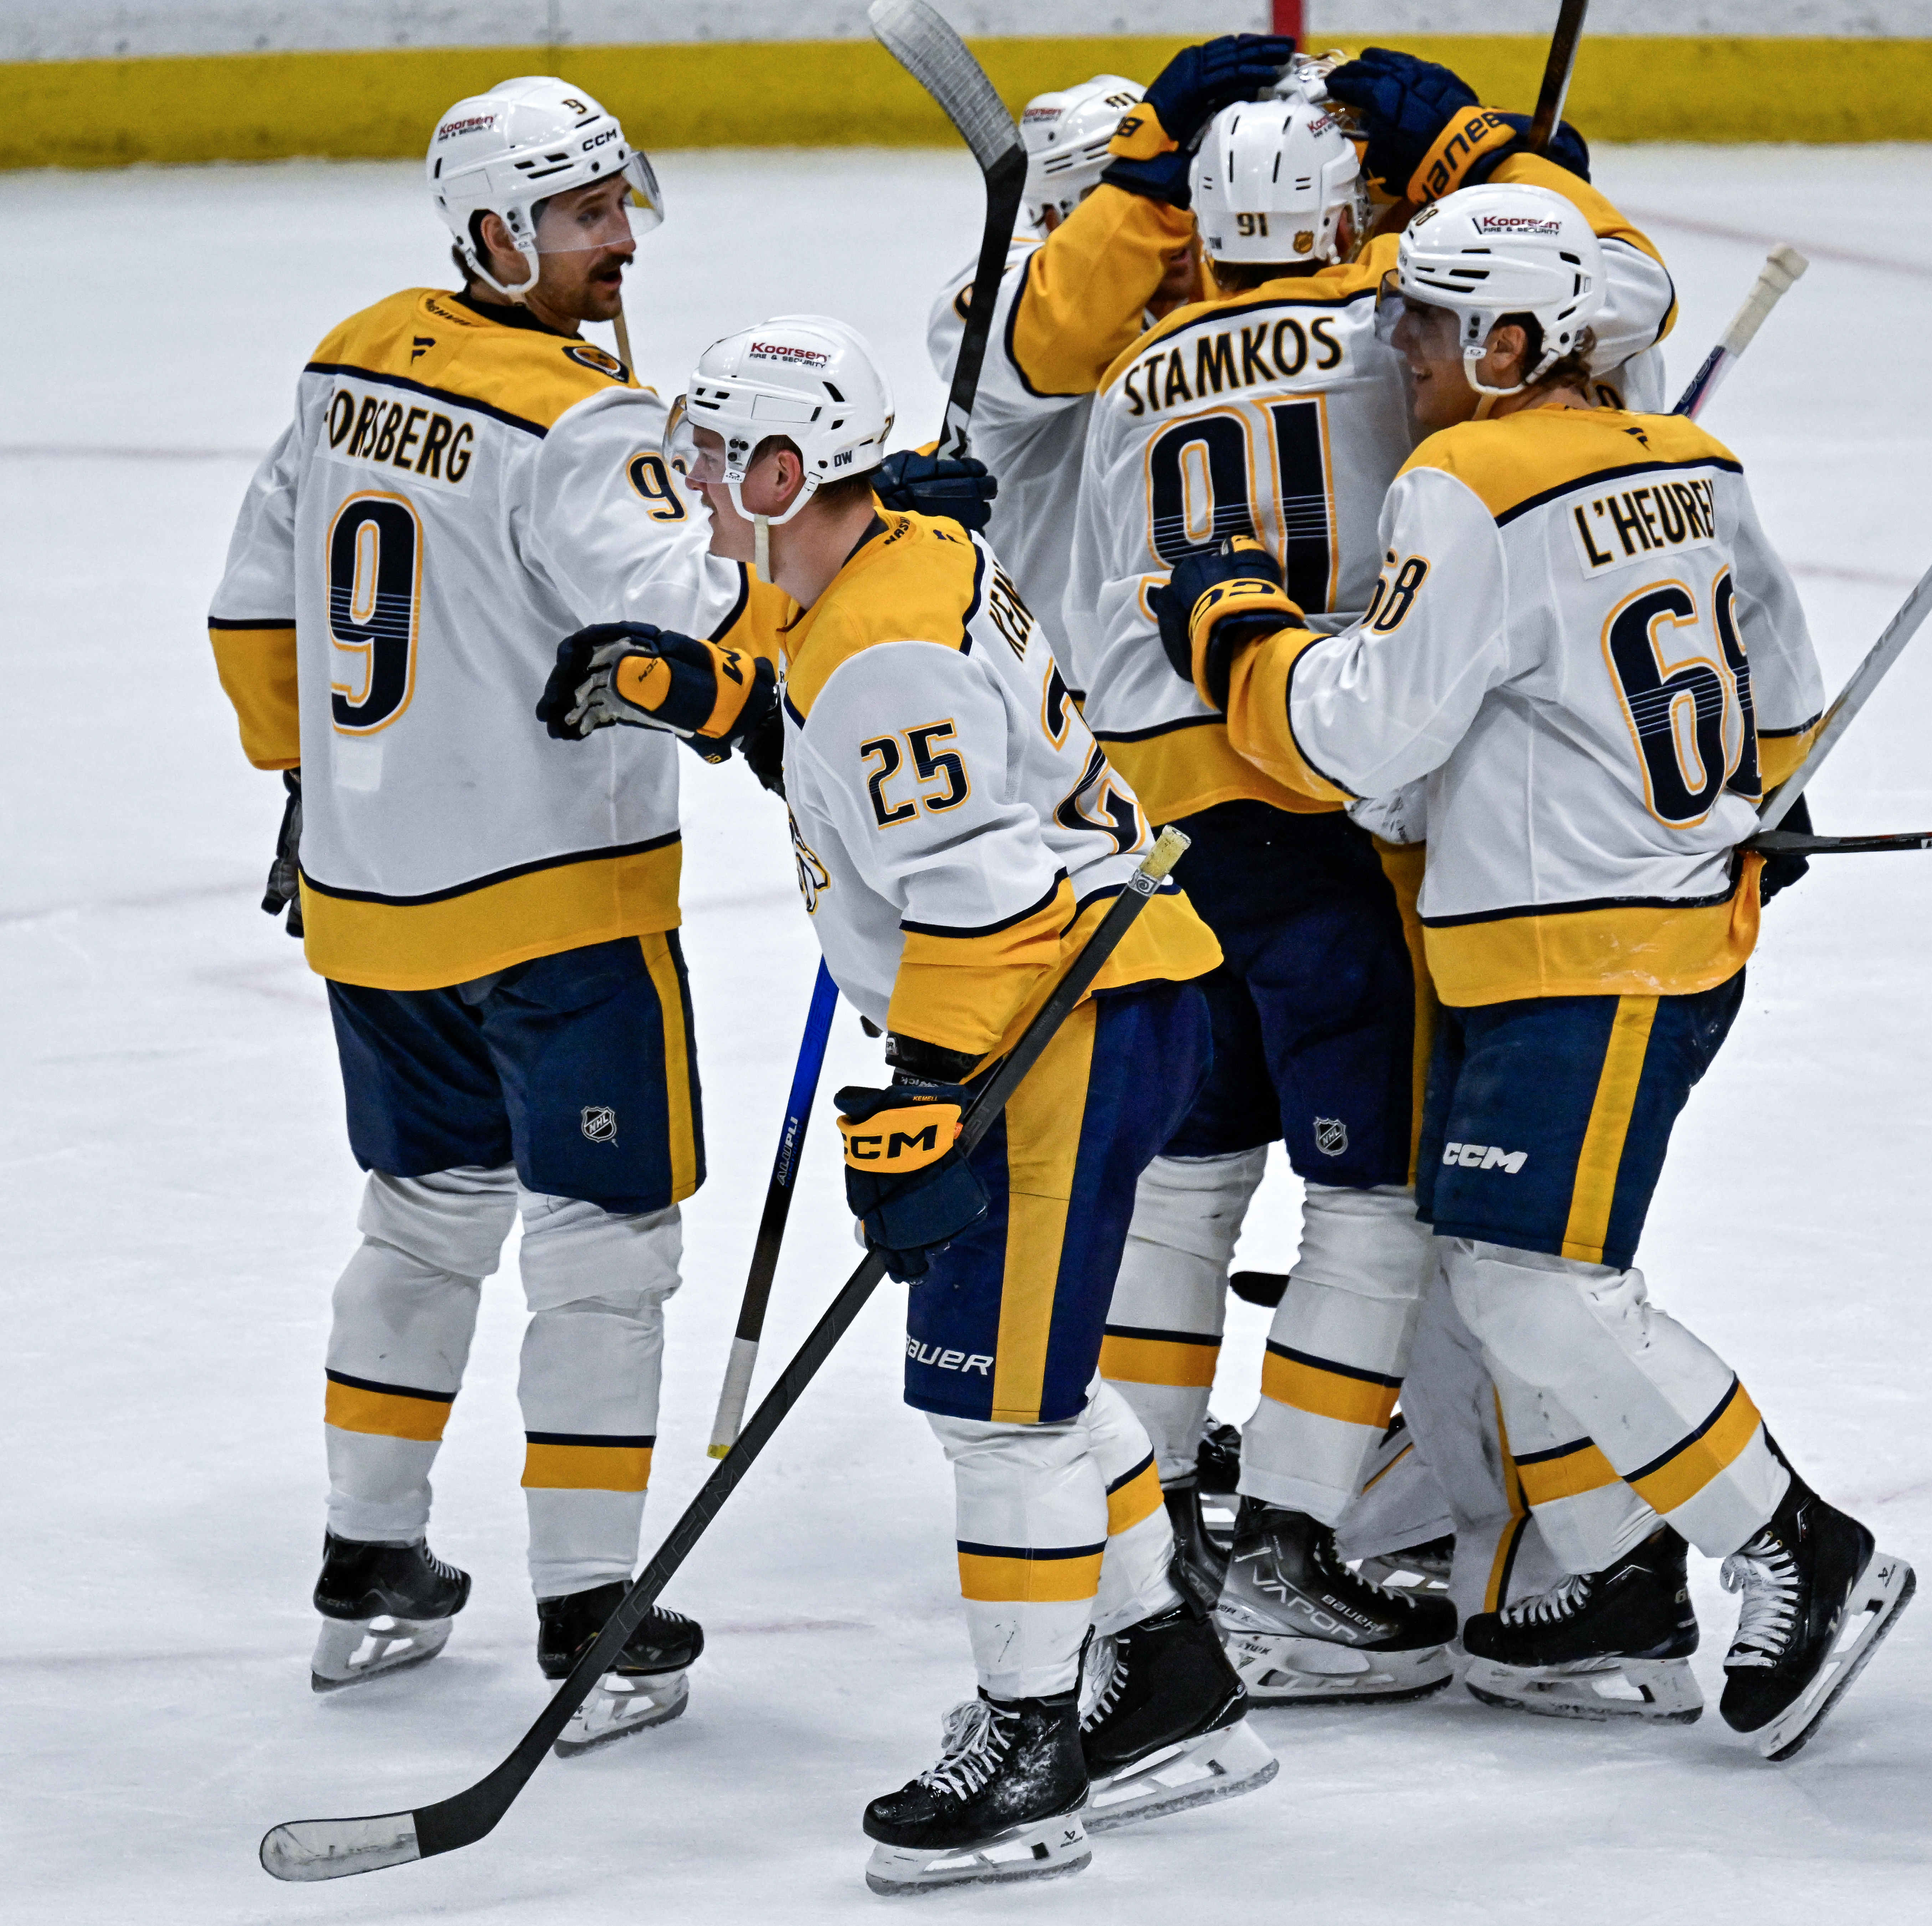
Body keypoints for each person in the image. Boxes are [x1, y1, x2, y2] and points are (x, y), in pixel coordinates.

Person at [1155, 180, 1914, 1763]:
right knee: (1498, 1270)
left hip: (1582, 951)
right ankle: (1605, 1582)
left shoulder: (1467, 479)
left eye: (1427, 321)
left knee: (1527, 1278)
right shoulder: (1694, 462)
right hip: (1641, 930)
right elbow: (1784, 700)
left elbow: (1358, 734)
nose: (1401, 347)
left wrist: (1236, 632)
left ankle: (1797, 1546)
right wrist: (1744, 805)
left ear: (1514, 341)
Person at [539, 317, 1273, 1893]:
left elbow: (983, 899)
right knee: (1039, 1377)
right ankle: (1170, 1676)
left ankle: (1030, 1750)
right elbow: (851, 732)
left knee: (991, 1404)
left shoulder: (880, 647)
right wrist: (701, 691)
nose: (702, 488)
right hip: (1107, 996)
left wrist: (930, 1096)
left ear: (796, 468)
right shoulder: (892, 573)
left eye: (726, 461)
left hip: (1045, 1019)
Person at [1068, 60, 1682, 1703]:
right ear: (1348, 224)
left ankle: (1140, 1549)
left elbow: (1074, 623)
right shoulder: (1379, 321)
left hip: (1149, 831)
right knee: (1381, 1200)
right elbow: (1619, 295)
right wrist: (1495, 154)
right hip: (1312, 802)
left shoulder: (1127, 374)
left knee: (1187, 1179)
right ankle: (1284, 1560)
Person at [205, 76, 733, 1748]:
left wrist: (313, 782)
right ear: (495, 231)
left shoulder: (351, 356)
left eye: (618, 207)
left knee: (423, 1218)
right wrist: (842, 525)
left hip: (374, 904)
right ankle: (590, 1617)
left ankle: (370, 1567)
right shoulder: (577, 426)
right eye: (586, 219)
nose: (620, 241)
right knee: (604, 1247)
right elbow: (697, 627)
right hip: (557, 915)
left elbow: (247, 610)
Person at [924, 36, 1293, 641]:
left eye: (1188, 190)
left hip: (1204, 676)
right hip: (1052, 693)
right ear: (1053, 215)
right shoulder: (987, 293)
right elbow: (1058, 337)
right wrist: (1142, 191)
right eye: (1138, 196)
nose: (1174, 218)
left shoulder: (1229, 291)